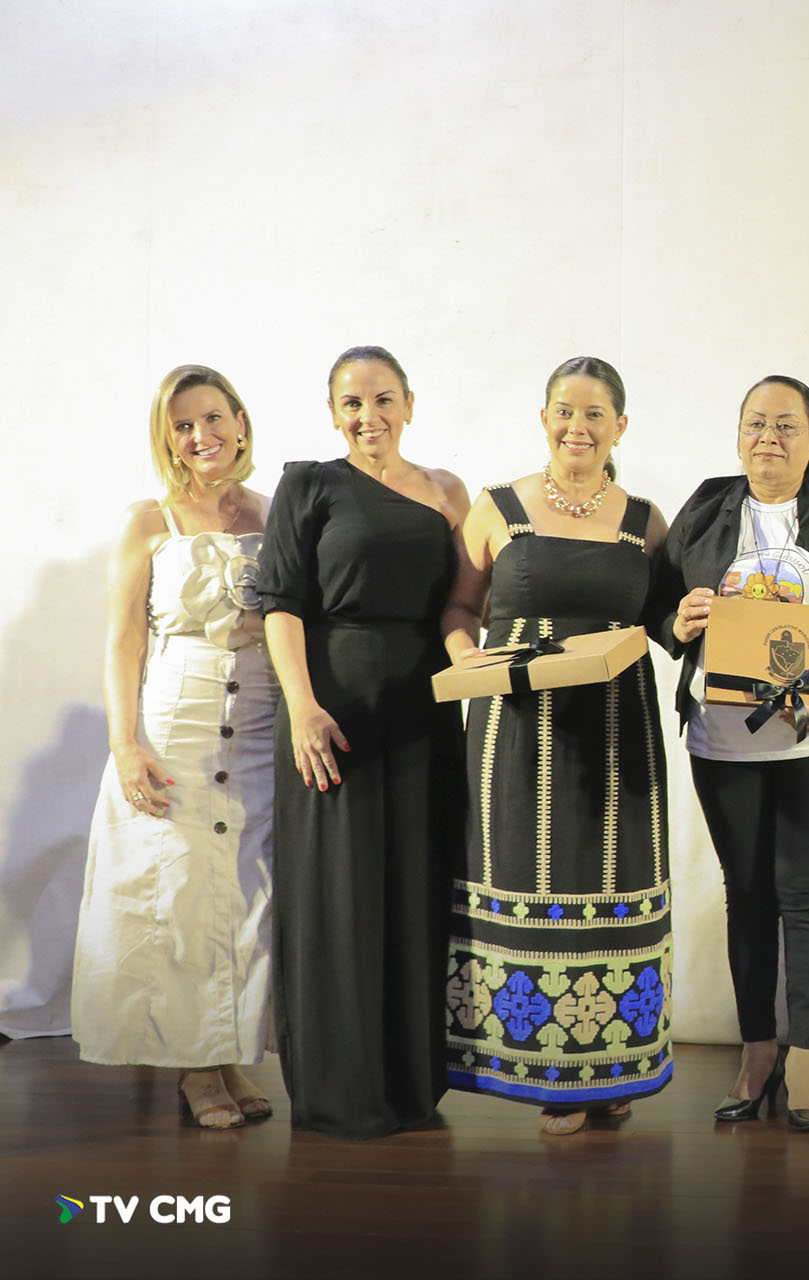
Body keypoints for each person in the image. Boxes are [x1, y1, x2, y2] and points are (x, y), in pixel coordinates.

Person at [440, 357, 674, 1136]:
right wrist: (465, 655)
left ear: (620, 426)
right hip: (515, 729)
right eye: (565, 411)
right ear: (544, 419)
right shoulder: (497, 507)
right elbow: (458, 608)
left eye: (595, 413)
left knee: (612, 882)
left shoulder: (647, 522)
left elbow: (671, 619)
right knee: (523, 876)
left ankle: (612, 1069)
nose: (579, 426)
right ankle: (548, 1078)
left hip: (617, 729)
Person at [653, 375, 809, 1132]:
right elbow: (654, 604)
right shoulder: (706, 507)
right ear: (737, 436)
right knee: (747, 891)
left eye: (788, 425)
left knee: (807, 891)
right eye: (756, 422)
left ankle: (806, 1054)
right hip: (722, 738)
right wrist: (678, 622)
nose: (770, 437)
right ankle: (758, 1051)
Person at [259, 345, 469, 1139]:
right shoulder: (310, 484)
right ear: (332, 413)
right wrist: (302, 707)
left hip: (423, 708)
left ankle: (412, 1083)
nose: (368, 416)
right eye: (351, 403)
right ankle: (340, 1088)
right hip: (332, 708)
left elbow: (464, 605)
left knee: (416, 886)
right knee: (339, 892)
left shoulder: (447, 491)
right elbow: (281, 603)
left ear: (409, 404)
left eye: (383, 399)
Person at [71, 365, 278, 1128]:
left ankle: (225, 1051)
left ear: (240, 421)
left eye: (213, 418)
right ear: (168, 438)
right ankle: (194, 1068)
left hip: (256, 722)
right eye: (183, 426)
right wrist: (125, 744)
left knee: (244, 895)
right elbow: (123, 640)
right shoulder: (148, 520)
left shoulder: (273, 513)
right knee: (180, 890)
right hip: (177, 721)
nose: (201, 436)